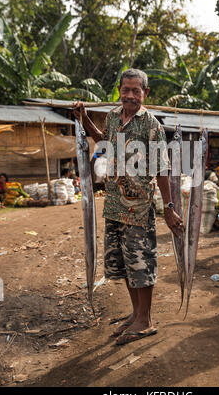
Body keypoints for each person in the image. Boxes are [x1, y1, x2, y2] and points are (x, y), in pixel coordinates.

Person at [73, 68, 183, 345]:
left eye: (136, 91)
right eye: (126, 90)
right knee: (124, 265)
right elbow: (104, 142)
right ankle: (136, 314)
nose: (130, 95)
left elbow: (161, 169)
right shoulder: (113, 117)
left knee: (141, 264)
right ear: (119, 91)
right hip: (113, 205)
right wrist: (84, 118)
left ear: (145, 94)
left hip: (138, 208)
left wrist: (168, 207)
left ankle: (145, 321)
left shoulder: (151, 125)